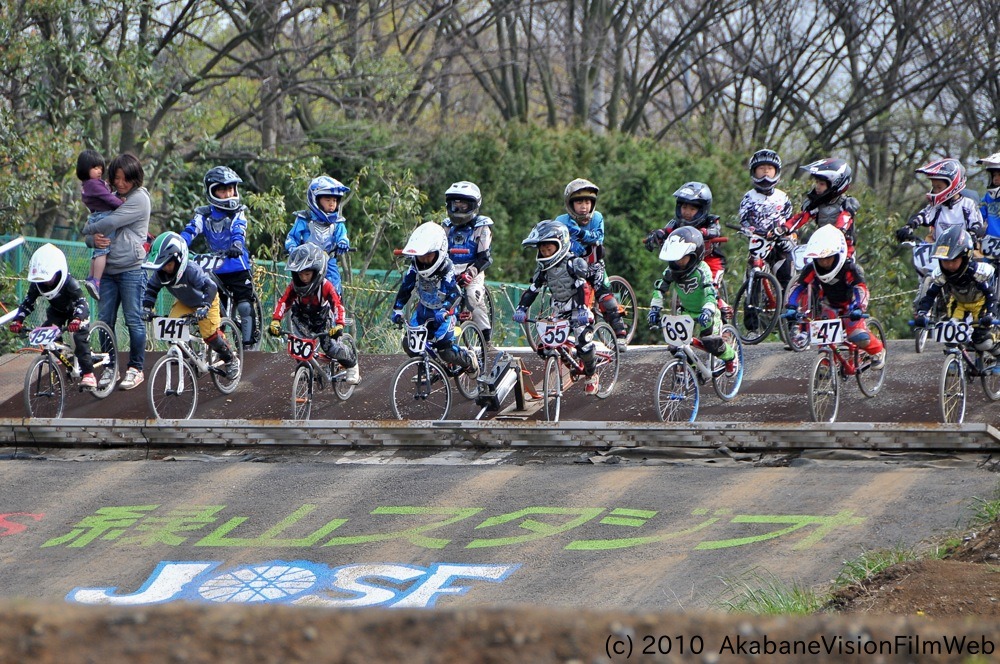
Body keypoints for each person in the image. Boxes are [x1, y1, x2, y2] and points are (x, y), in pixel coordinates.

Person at [82, 152, 149, 391]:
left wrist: (87, 229)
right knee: (104, 320)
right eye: (116, 178)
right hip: (108, 271)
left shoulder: (139, 198)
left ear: (135, 178)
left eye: (125, 179)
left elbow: (110, 223)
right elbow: (93, 237)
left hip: (131, 269)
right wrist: (91, 239)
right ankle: (111, 367)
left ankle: (136, 368)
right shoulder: (110, 198)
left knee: (133, 321)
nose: (120, 183)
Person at [512, 220, 601, 394]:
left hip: (578, 309)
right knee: (543, 347)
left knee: (583, 341)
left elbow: (582, 286)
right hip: (559, 310)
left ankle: (592, 374)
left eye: (549, 249)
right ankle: (569, 359)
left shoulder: (575, 263)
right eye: (542, 250)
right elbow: (532, 290)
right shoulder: (543, 269)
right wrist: (521, 308)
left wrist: (583, 308)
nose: (545, 253)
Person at [140, 232, 240, 380]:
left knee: (210, 335)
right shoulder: (160, 275)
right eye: (162, 265)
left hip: (207, 300)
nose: (166, 269)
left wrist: (205, 306)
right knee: (172, 333)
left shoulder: (191, 270)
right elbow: (151, 290)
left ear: (179, 259)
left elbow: (210, 287)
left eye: (168, 264)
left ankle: (231, 359)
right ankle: (192, 359)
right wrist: (147, 308)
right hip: (185, 302)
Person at [783, 225, 885, 367]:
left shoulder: (849, 268)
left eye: (828, 258)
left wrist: (859, 307)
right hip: (828, 304)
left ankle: (878, 351)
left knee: (858, 336)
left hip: (850, 306)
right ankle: (827, 366)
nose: (824, 262)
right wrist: (791, 305)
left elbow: (860, 288)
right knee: (824, 340)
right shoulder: (811, 268)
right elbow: (798, 287)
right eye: (820, 259)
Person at [180, 166, 258, 350]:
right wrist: (179, 243)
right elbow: (191, 230)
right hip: (214, 267)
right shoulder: (203, 214)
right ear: (211, 191)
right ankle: (220, 345)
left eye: (231, 189)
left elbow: (239, 229)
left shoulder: (238, 212)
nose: (228, 193)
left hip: (237, 264)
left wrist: (237, 245)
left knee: (245, 305)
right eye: (222, 190)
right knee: (214, 305)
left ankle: (249, 344)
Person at [390, 222, 480, 377]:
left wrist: (446, 309)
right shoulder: (414, 267)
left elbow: (455, 292)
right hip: (423, 310)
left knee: (446, 351)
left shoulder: (446, 268)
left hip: (444, 312)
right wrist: (397, 309)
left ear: (439, 252)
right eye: (421, 256)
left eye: (428, 255)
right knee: (410, 345)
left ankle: (468, 359)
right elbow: (406, 288)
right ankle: (429, 368)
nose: (424, 260)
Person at [646, 227, 738, 374]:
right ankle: (694, 369)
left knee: (709, 342)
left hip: (706, 312)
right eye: (676, 258)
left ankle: (730, 358)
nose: (679, 262)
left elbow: (710, 293)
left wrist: (708, 310)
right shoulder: (670, 272)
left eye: (683, 257)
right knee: (675, 345)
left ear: (694, 255)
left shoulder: (703, 270)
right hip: (686, 311)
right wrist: (655, 309)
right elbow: (659, 290)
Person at [268, 244, 360, 384]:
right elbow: (283, 302)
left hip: (322, 320)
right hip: (301, 319)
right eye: (300, 274)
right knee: (297, 347)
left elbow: (337, 305)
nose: (304, 278)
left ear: (317, 272)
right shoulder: (293, 286)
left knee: (331, 348)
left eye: (307, 274)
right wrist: (276, 320)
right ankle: (305, 367)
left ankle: (352, 365)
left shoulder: (326, 286)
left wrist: (340, 324)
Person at [9, 244, 97, 388]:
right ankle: (59, 356)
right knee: (48, 330)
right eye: (42, 279)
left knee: (79, 339)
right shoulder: (37, 285)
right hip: (57, 312)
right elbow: (27, 303)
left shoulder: (70, 283)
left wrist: (77, 319)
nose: (45, 282)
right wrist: (18, 320)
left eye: (49, 277)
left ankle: (89, 374)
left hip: (77, 313)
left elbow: (82, 303)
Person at [554, 178, 629, 349]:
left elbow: (598, 238)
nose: (584, 206)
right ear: (570, 204)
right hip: (570, 269)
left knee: (607, 299)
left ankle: (620, 334)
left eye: (588, 202)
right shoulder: (561, 220)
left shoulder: (597, 218)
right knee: (566, 300)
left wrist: (578, 234)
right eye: (579, 202)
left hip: (594, 266)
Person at [643, 182, 731, 320]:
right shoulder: (676, 223)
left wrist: (705, 232)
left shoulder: (711, 220)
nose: (687, 212)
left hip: (710, 260)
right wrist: (656, 235)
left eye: (692, 208)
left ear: (702, 209)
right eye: (684, 207)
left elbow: (715, 231)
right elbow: (665, 231)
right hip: (685, 259)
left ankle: (722, 309)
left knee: (711, 286)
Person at [913, 225, 1000, 357]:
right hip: (958, 304)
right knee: (950, 338)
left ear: (965, 257)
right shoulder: (940, 274)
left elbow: (991, 295)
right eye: (945, 261)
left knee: (984, 342)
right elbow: (930, 295)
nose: (949, 266)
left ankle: (998, 355)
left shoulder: (977, 272)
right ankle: (954, 362)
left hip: (980, 304)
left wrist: (991, 315)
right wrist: (922, 313)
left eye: (954, 261)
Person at [442, 181, 494, 344]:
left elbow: (485, 257)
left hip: (473, 269)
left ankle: (486, 340)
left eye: (463, 206)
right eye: (455, 205)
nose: (458, 209)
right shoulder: (446, 225)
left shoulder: (482, 226)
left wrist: (470, 273)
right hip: (448, 269)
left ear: (473, 205)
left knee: (472, 298)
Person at [774, 158, 858, 258]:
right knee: (807, 271)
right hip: (822, 247)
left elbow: (845, 218)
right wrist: (784, 228)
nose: (817, 186)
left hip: (845, 249)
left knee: (852, 271)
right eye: (817, 182)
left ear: (836, 183)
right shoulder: (816, 204)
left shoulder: (846, 203)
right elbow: (802, 217)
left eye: (821, 184)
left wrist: (838, 232)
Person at [737, 149, 795, 291]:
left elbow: (791, 222)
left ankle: (788, 307)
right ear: (754, 171)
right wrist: (749, 230)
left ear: (776, 171)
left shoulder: (783, 197)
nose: (766, 172)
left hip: (779, 243)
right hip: (758, 242)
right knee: (752, 278)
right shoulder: (748, 197)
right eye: (761, 169)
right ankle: (751, 306)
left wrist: (790, 238)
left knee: (786, 277)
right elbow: (743, 219)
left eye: (769, 169)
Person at [285, 176, 352, 296]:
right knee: (295, 290)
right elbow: (292, 237)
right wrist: (292, 248)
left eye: (335, 200)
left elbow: (342, 236)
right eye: (328, 200)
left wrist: (343, 243)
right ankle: (290, 310)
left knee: (335, 289)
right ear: (316, 199)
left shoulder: (337, 223)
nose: (332, 204)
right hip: (305, 262)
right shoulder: (304, 219)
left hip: (328, 261)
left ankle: (337, 312)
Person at [895, 158, 985, 243]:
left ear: (953, 185)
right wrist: (908, 228)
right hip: (937, 253)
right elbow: (921, 216)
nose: (935, 190)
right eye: (934, 187)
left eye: (939, 187)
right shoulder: (936, 207)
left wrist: (972, 235)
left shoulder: (968, 204)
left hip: (961, 254)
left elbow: (977, 225)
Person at [76, 149, 123, 300]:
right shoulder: (94, 184)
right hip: (104, 216)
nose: (99, 171)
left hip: (95, 216)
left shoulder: (86, 185)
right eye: (95, 168)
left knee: (96, 252)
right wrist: (120, 203)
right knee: (103, 250)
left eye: (100, 168)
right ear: (85, 169)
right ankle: (96, 281)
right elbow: (107, 198)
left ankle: (91, 278)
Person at [975, 152, 1000, 237]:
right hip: (990, 242)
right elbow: (978, 217)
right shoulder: (988, 197)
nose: (996, 178)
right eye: (994, 175)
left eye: (999, 175)